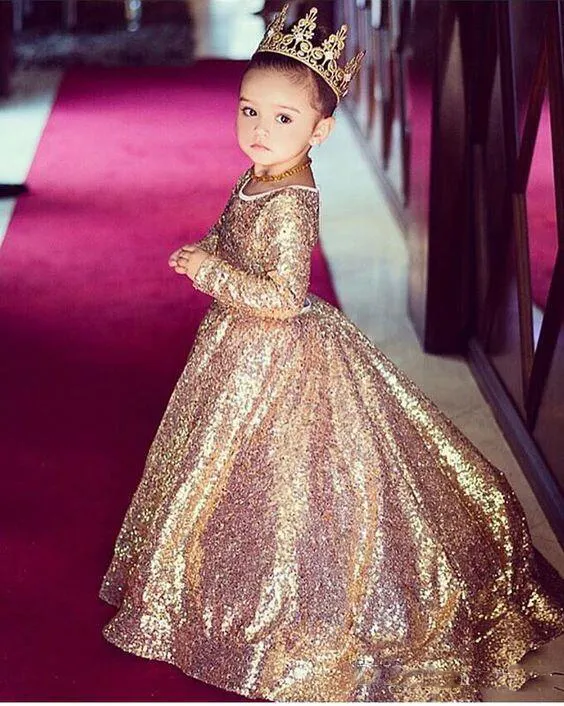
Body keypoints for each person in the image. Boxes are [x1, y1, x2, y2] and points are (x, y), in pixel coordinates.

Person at [99, 4, 564, 701]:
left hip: (277, 350)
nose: (259, 130)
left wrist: (211, 271)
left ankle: (290, 608)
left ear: (319, 129)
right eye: (249, 110)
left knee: (293, 475)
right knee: (219, 464)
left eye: (283, 119)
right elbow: (234, 230)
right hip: (237, 347)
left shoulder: (293, 200)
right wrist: (217, 249)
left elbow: (284, 298)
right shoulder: (260, 177)